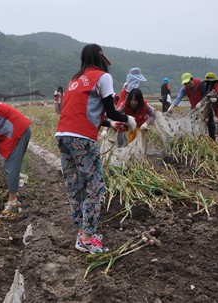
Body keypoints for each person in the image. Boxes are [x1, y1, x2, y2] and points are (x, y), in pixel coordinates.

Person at [55, 43, 136, 254]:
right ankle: (87, 239)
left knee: (75, 186)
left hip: (63, 136)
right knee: (95, 185)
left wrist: (111, 124)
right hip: (82, 139)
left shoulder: (74, 80)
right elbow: (110, 109)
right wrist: (128, 119)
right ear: (101, 58)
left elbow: (89, 113)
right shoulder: (102, 77)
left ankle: (82, 233)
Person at [168, 72, 216, 140]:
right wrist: (172, 106)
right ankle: (198, 140)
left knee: (210, 124)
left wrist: (201, 103)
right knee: (195, 125)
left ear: (192, 79)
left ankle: (212, 140)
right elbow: (179, 97)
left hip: (205, 108)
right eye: (185, 83)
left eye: (188, 83)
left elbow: (205, 95)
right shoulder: (184, 89)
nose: (187, 85)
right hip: (195, 109)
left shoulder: (200, 83)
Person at [116, 67, 147, 147]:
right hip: (123, 114)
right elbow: (127, 104)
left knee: (124, 136)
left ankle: (124, 152)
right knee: (124, 137)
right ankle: (125, 153)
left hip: (123, 114)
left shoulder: (126, 86)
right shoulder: (129, 88)